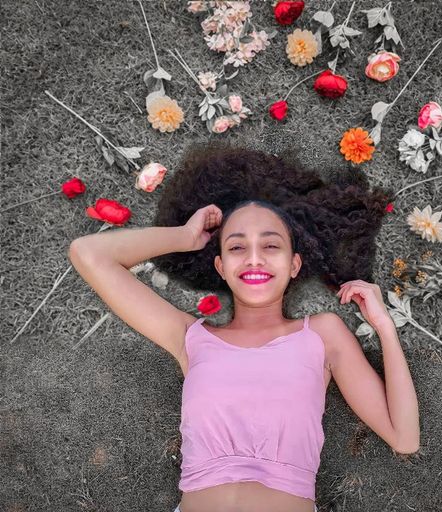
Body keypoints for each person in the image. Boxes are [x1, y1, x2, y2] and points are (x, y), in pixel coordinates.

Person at [68, 143, 420, 512]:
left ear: (294, 264)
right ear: (221, 267)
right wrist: (184, 238)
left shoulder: (323, 335)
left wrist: (385, 326)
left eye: (271, 245)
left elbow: (404, 437)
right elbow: (89, 254)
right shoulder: (191, 338)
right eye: (237, 248)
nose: (254, 257)